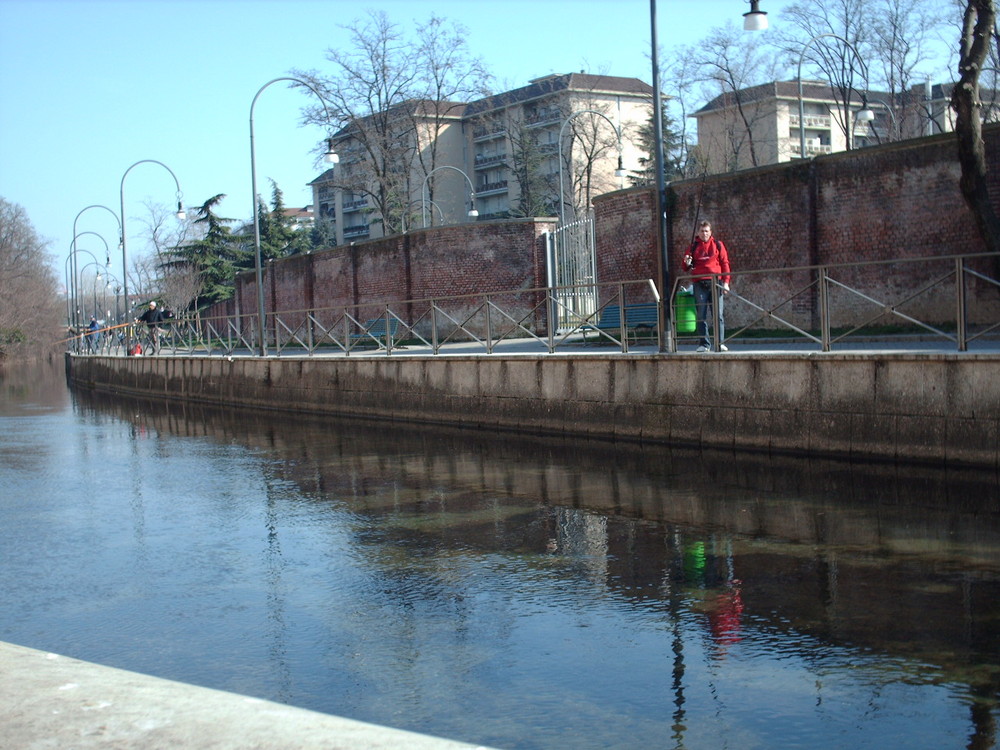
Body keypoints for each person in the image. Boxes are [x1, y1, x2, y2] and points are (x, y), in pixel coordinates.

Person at [683, 221, 731, 352]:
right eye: (702, 231)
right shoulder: (693, 247)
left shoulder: (718, 245)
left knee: (718, 315)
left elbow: (725, 263)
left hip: (716, 282)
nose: (704, 233)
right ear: (698, 233)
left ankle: (719, 343)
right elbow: (686, 267)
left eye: (706, 231)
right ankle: (704, 344)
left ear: (711, 232)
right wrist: (687, 261)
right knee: (701, 315)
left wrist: (726, 282)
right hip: (699, 283)